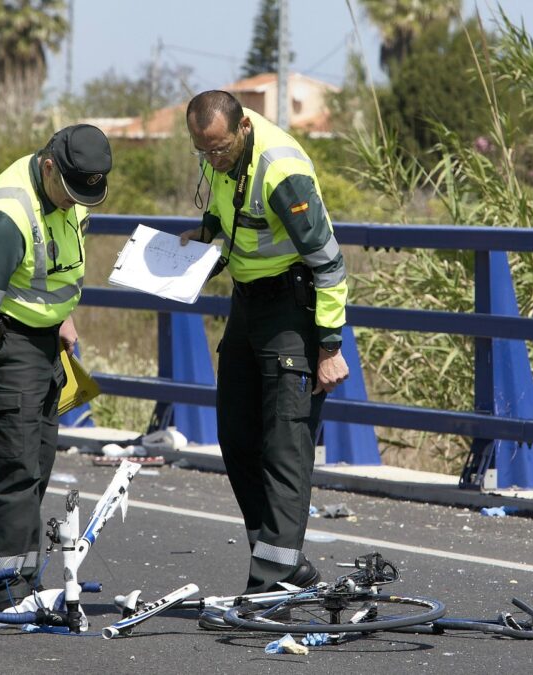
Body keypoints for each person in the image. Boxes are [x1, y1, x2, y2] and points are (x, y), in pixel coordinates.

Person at [179, 91, 349, 619]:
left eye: (221, 150)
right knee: (236, 435)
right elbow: (232, 217)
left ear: (244, 127)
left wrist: (329, 347)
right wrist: (206, 233)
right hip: (247, 307)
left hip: (293, 316)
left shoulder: (282, 170)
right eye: (203, 152)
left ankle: (271, 587)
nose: (214, 161)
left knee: (285, 448)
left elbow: (330, 263)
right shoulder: (226, 161)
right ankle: (286, 563)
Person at [0, 124, 112, 613]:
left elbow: (57, 265)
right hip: (8, 343)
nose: (74, 202)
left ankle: (23, 581)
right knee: (14, 471)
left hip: (45, 343)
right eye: (70, 191)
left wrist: (63, 316)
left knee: (37, 464)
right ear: (47, 167)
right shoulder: (8, 215)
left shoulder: (74, 192)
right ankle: (5, 591)